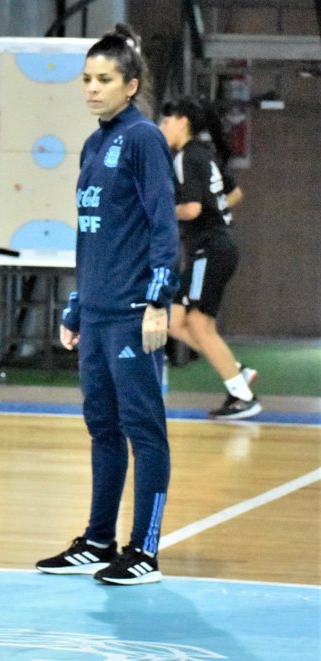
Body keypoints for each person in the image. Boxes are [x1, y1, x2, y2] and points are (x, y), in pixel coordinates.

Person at [36, 24, 179, 586]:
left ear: (131, 84)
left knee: (144, 430)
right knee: (102, 427)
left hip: (130, 313)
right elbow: (91, 234)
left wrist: (157, 301)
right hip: (95, 315)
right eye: (87, 79)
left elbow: (162, 226)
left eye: (105, 80)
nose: (92, 89)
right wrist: (75, 305)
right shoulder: (95, 144)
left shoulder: (143, 139)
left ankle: (144, 551)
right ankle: (99, 541)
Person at [159, 96, 261, 420]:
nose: (162, 127)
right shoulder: (206, 156)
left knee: (200, 325)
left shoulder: (186, 158)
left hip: (210, 250)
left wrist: (158, 212)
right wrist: (218, 212)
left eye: (166, 120)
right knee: (173, 321)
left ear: (182, 122)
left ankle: (242, 396)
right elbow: (236, 193)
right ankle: (237, 372)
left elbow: (192, 209)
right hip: (213, 248)